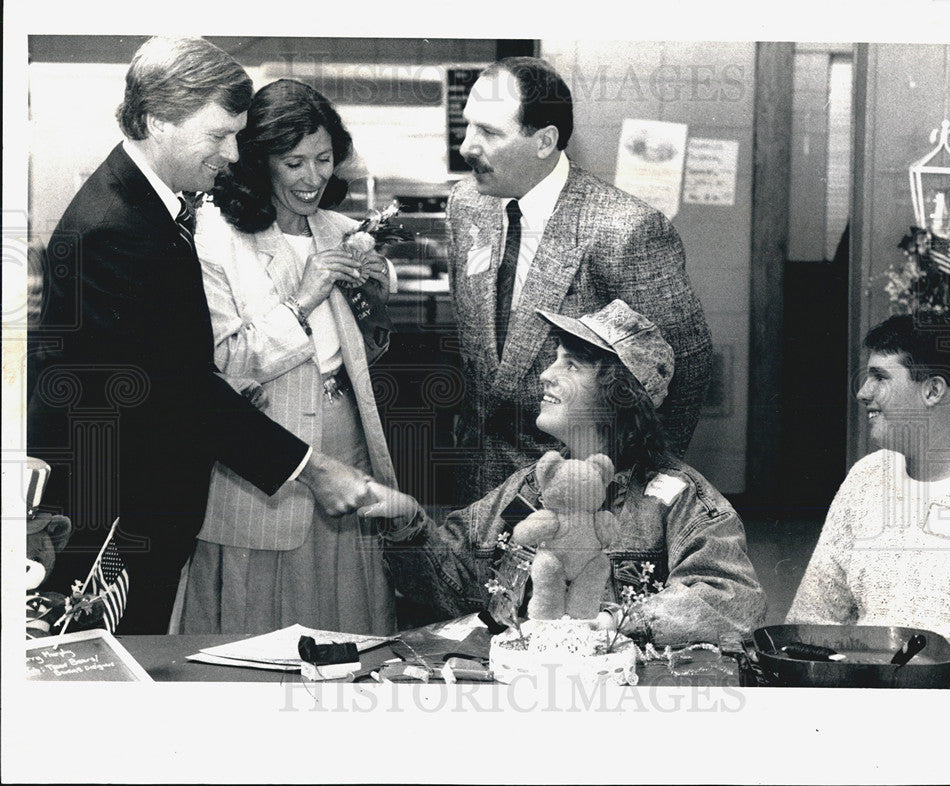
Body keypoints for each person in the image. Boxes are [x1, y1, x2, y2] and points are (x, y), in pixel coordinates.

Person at [27, 38, 368, 635]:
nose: (234, 154)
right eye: (218, 136)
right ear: (159, 120)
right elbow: (176, 389)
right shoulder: (116, 228)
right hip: (117, 511)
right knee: (106, 664)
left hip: (145, 499)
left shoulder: (149, 203)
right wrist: (310, 468)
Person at [362, 300, 764, 646]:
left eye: (570, 365)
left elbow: (732, 599)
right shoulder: (528, 493)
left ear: (619, 394)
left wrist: (612, 626)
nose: (545, 374)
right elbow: (458, 585)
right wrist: (408, 523)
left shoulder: (678, 500)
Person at [173, 79, 398, 635]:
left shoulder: (340, 230)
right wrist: (304, 298)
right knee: (259, 633)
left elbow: (369, 350)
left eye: (324, 159)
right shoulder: (214, 237)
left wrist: (370, 300)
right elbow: (223, 362)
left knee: (349, 619)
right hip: (261, 459)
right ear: (257, 162)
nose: (313, 177)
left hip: (347, 438)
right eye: (293, 162)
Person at [447, 56, 713, 503]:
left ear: (544, 141)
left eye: (489, 132)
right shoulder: (467, 205)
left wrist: (633, 488)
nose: (467, 147)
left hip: (580, 495)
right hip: (476, 485)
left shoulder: (625, 230)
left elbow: (686, 365)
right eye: (468, 126)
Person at [786, 314, 950, 678]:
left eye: (880, 377)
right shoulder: (865, 477)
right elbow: (813, 619)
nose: (862, 392)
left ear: (933, 390)